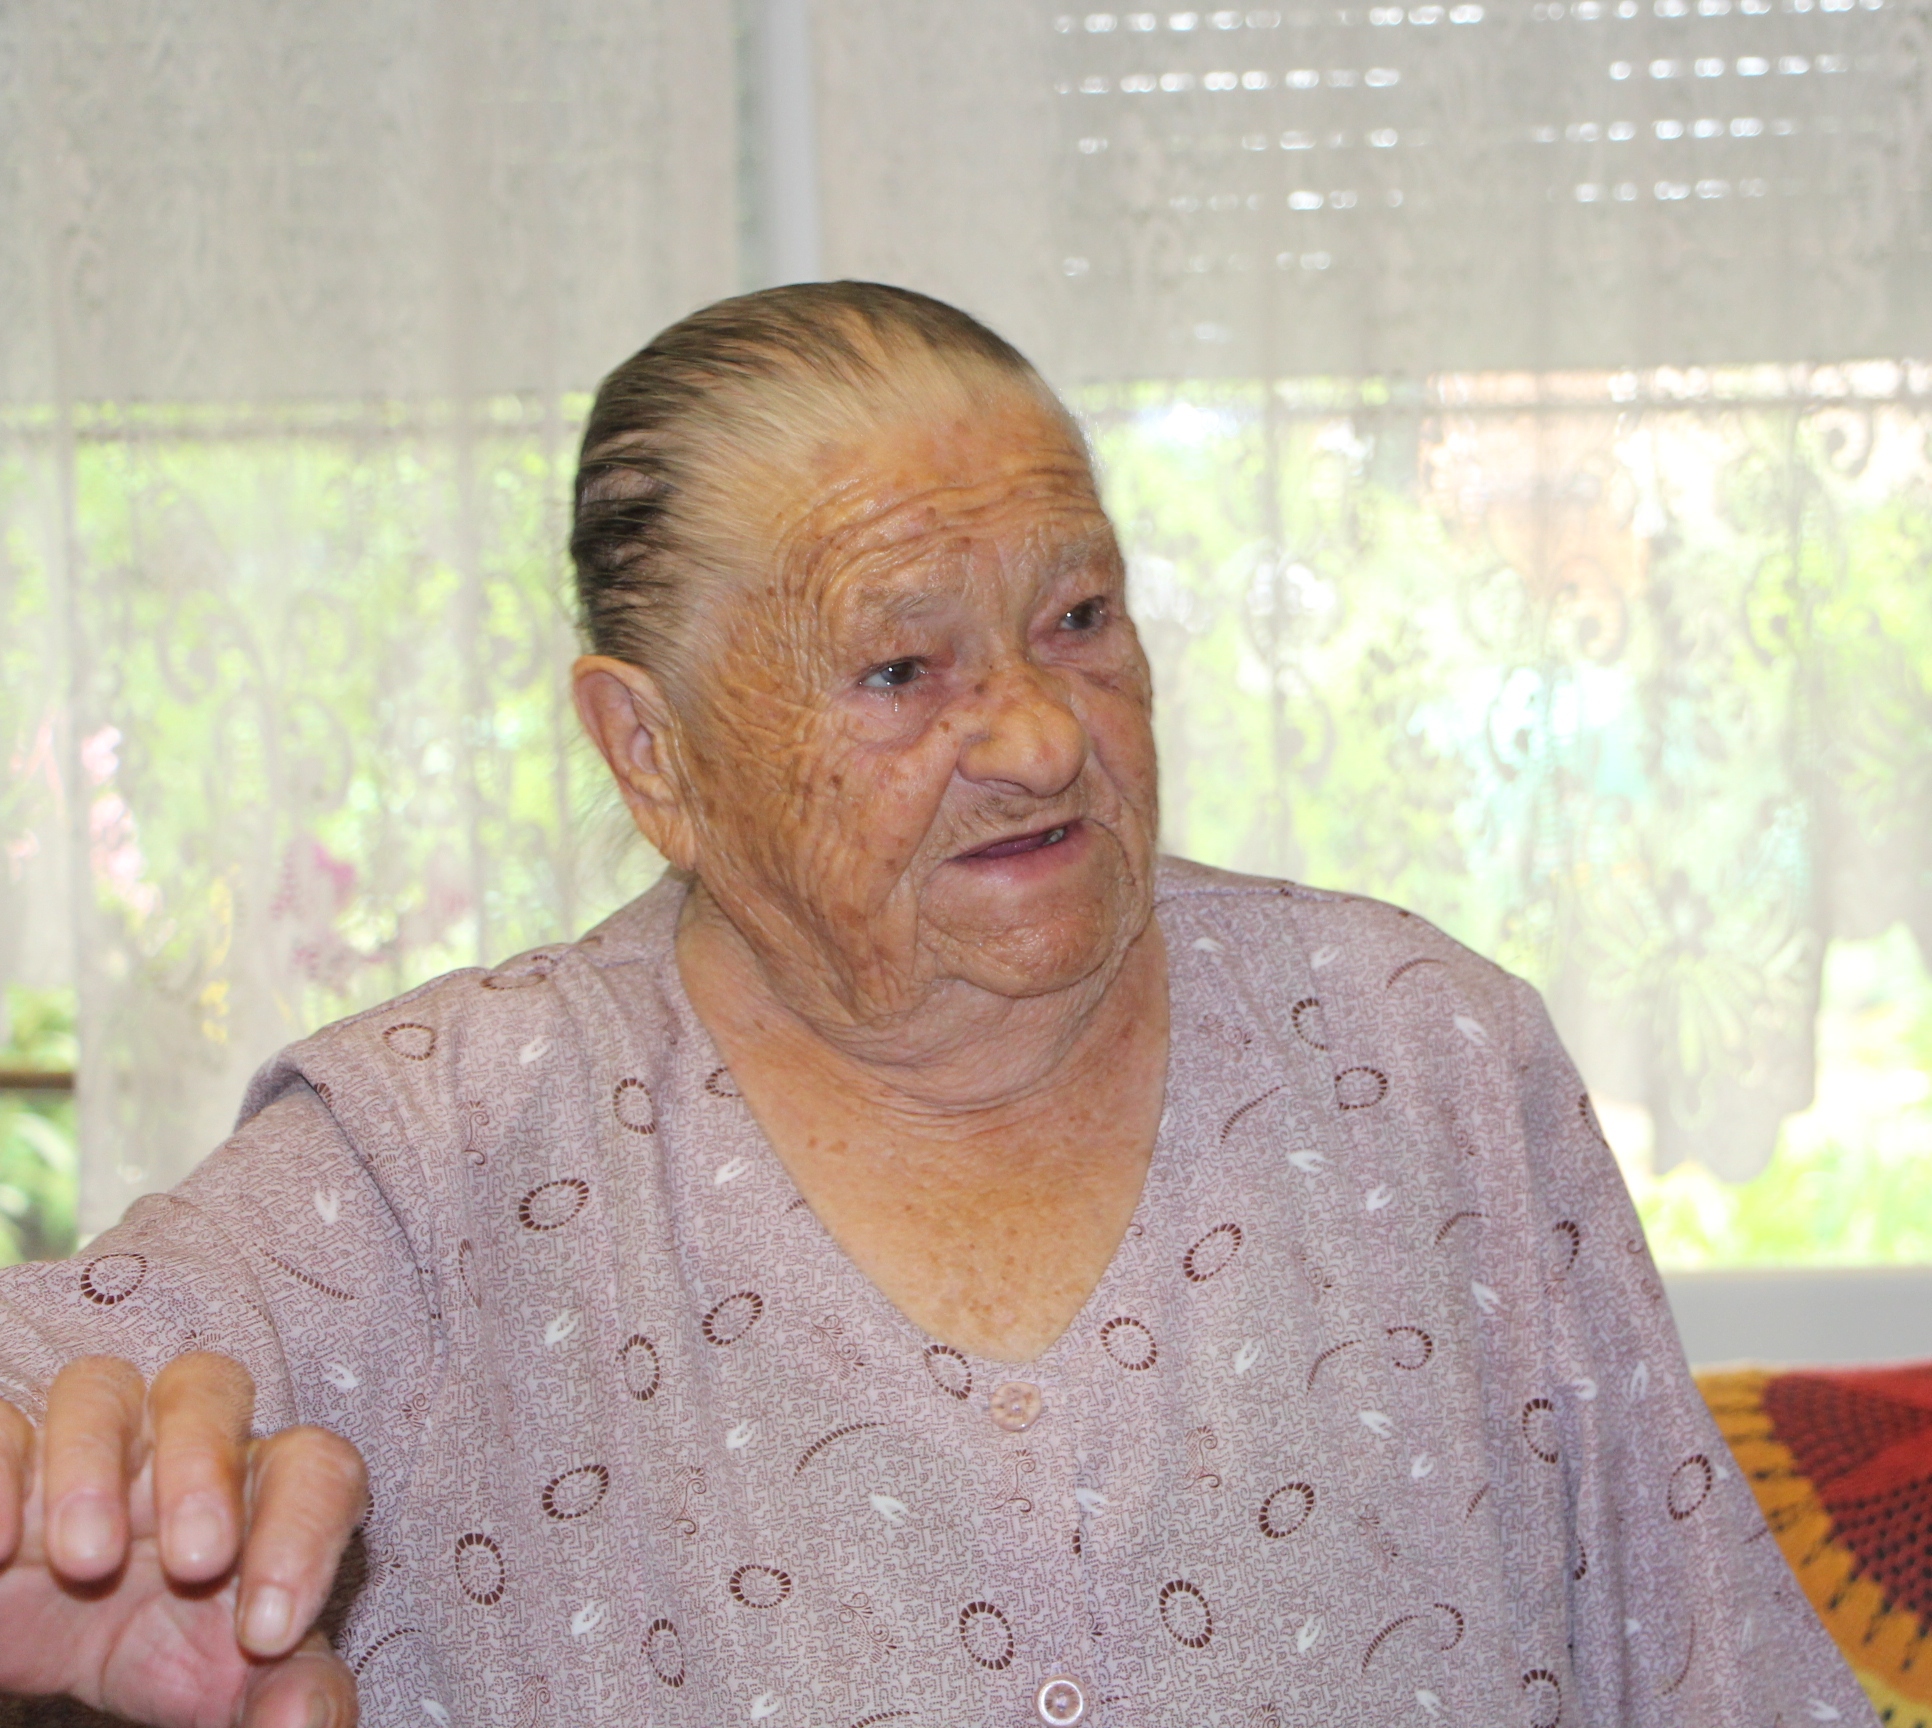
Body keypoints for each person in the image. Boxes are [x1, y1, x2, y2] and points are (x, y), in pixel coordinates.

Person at [0, 284, 1873, 1728]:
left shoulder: (1422, 1052)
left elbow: (1709, 1661)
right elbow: (46, 1402)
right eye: (903, 667)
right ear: (651, 753)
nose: (1043, 736)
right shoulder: (433, 1151)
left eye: (1081, 620)